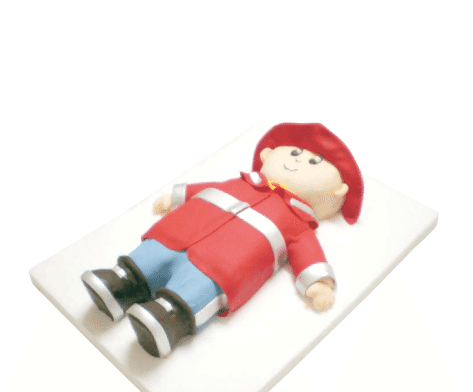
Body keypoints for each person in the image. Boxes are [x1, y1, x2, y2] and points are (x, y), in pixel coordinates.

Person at [81, 123, 363, 357]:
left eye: (313, 162)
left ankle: (169, 318)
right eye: (296, 153)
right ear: (268, 155)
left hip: (221, 266)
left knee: (195, 288)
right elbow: (210, 189)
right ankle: (120, 283)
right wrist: (178, 197)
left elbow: (307, 252)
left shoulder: (298, 224)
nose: (298, 161)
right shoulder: (240, 183)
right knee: (151, 256)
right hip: (179, 231)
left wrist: (317, 283)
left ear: (337, 191)